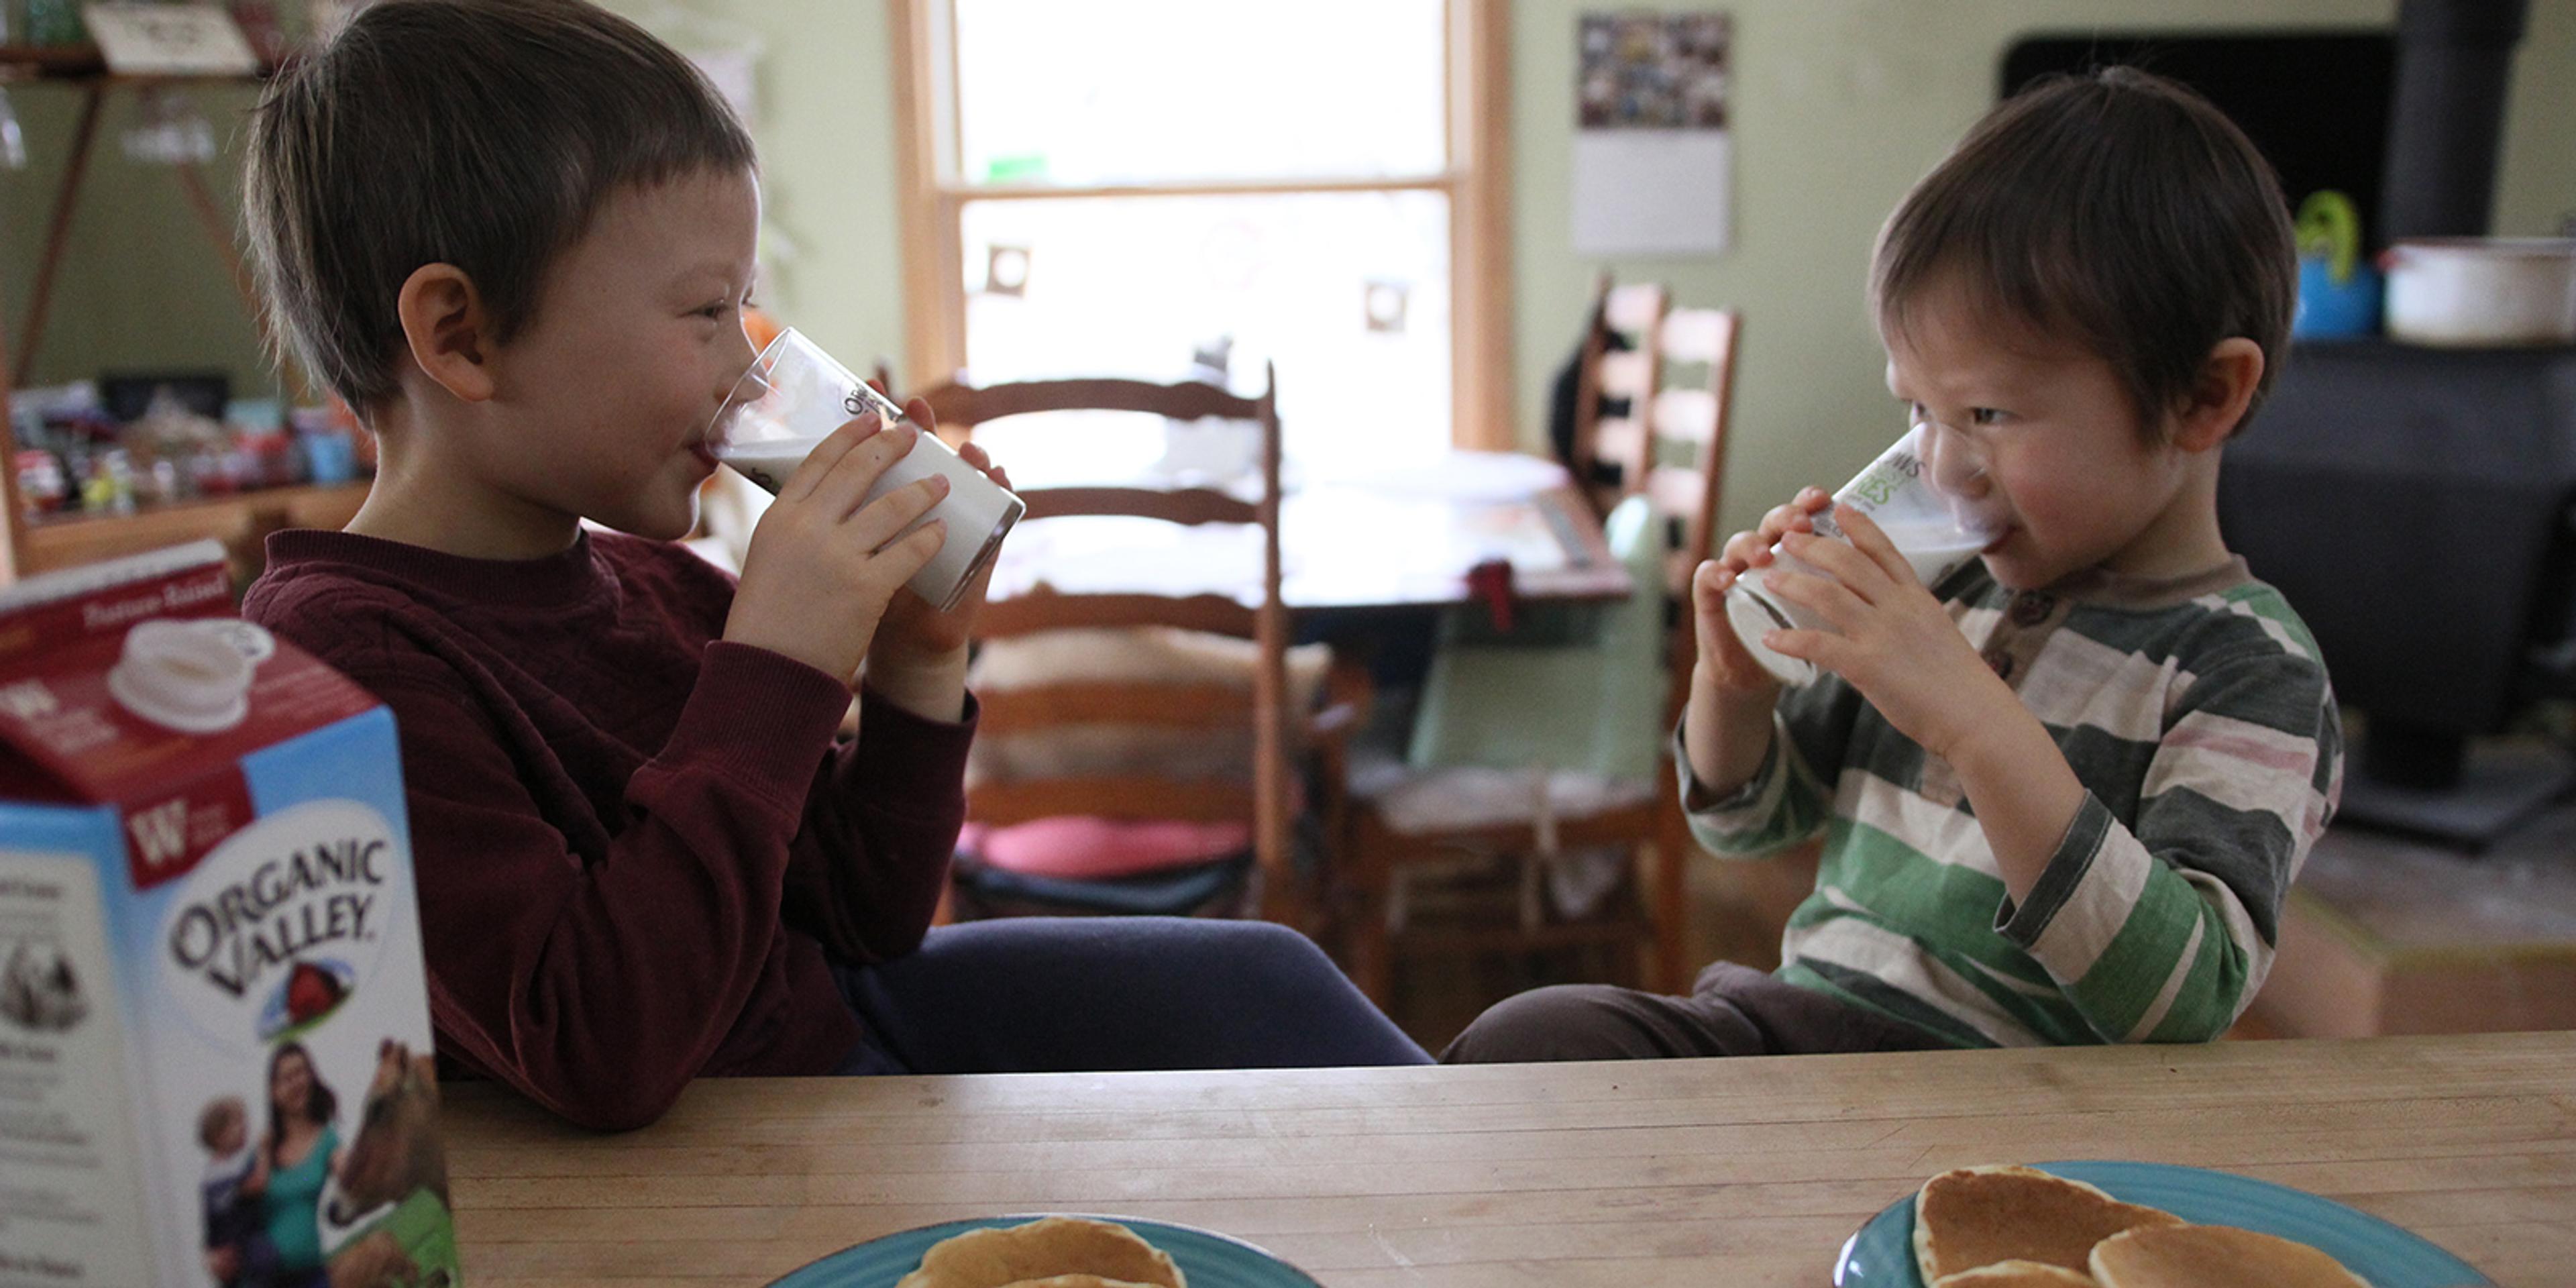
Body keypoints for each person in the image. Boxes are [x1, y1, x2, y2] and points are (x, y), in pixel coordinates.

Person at [238, 0, 1426, 1134]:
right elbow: (600, 1045)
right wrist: (778, 664)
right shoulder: (342, 662)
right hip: (712, 1176)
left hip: (835, 1054)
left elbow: (865, 916)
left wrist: (914, 663)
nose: (747, 367)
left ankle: (1500, 1176)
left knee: (1267, 981)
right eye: (709, 312)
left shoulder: (658, 592)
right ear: (462, 336)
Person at [1449, 68, 2342, 1061]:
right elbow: (1751, 826)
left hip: (2002, 1106)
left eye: (1989, 415)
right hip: (1804, 1023)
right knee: (1537, 1038)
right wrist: (1735, 692)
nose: (1944, 464)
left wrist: (1973, 721)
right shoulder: (1946, 588)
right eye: (1918, 410)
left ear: (2204, 398)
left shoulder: (2250, 673)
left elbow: (2187, 1000)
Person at [256, 1044, 339, 1288]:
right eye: (287, 1078)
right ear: (273, 1091)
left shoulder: (327, 1140)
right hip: (264, 1279)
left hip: (311, 1275)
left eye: (302, 1072)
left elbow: (349, 1169)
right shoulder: (264, 1147)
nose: (296, 1083)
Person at [197, 1096, 280, 1288]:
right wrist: (264, 1151)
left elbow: (210, 1222)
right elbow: (258, 1184)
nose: (245, 1129)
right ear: (219, 1135)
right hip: (243, 1243)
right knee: (266, 1257)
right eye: (238, 1124)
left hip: (224, 1246)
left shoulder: (209, 1175)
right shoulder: (230, 1171)